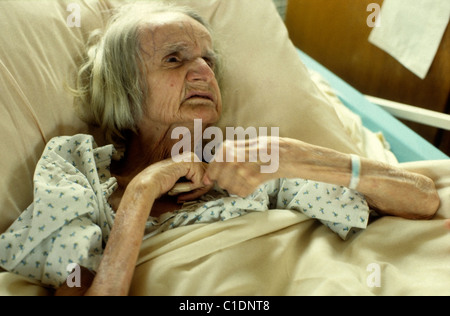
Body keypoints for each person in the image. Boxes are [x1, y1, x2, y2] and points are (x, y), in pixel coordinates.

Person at [0, 3, 441, 296]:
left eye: (208, 60)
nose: (203, 72)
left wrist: (289, 153)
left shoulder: (249, 162)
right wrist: (143, 192)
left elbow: (423, 200)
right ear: (122, 90)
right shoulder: (80, 172)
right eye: (175, 59)